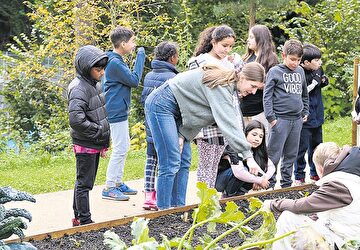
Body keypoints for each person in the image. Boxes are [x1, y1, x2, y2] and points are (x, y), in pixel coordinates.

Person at [145, 62, 265, 210]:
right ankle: (163, 212)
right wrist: (248, 156)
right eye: (253, 86)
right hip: (161, 104)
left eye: (257, 89)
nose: (253, 92)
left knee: (184, 161)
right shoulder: (223, 86)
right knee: (170, 161)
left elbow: (200, 112)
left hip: (177, 112)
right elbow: (229, 124)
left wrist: (182, 133)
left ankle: (177, 209)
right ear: (243, 77)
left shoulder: (229, 87)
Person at [263, 142, 360, 249]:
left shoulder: (338, 185)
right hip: (346, 236)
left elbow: (300, 206)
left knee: (288, 218)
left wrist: (273, 204)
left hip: (344, 243)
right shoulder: (350, 178)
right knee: (305, 225)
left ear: (320, 169)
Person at [187, 25, 242, 188]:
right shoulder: (200, 61)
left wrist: (237, 63)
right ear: (213, 42)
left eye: (230, 46)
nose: (227, 49)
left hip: (225, 119)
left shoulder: (228, 62)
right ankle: (203, 201)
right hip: (208, 120)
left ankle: (209, 201)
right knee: (206, 165)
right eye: (224, 45)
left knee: (214, 164)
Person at [102, 26, 146, 201]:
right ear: (122, 43)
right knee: (120, 148)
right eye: (132, 42)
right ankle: (109, 187)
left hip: (118, 109)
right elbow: (134, 80)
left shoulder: (115, 60)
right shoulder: (114, 63)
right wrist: (141, 56)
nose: (134, 45)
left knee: (124, 146)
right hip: (115, 110)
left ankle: (118, 183)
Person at [68, 45, 110, 226]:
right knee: (84, 184)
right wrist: (98, 131)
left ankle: (78, 216)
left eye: (102, 69)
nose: (101, 73)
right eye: (97, 69)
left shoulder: (93, 84)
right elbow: (76, 120)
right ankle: (85, 220)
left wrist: (103, 141)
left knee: (84, 182)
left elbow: (99, 113)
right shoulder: (79, 88)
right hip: (86, 143)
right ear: (86, 68)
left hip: (94, 143)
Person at [263, 39, 309, 188]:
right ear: (284, 55)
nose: (295, 63)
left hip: (296, 120)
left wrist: (305, 111)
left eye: (298, 60)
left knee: (291, 154)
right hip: (280, 119)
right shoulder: (275, 71)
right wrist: (271, 118)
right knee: (274, 154)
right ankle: (269, 184)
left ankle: (286, 184)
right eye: (292, 59)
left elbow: (304, 94)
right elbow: (267, 96)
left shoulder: (300, 71)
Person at [140, 41, 179, 210]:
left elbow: (144, 98)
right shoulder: (173, 78)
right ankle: (165, 196)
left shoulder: (149, 75)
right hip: (165, 124)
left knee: (151, 159)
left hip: (150, 122)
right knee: (164, 160)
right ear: (172, 58)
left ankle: (149, 194)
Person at [294, 44, 329, 185]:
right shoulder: (298, 72)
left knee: (317, 147)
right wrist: (315, 82)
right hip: (304, 118)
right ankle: (299, 175)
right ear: (305, 62)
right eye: (316, 60)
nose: (320, 63)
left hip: (317, 115)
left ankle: (315, 172)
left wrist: (324, 81)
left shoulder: (318, 69)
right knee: (301, 148)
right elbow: (302, 92)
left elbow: (322, 81)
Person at [215, 120, 275, 197]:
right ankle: (228, 197)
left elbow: (271, 167)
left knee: (257, 169)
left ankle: (240, 195)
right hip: (220, 180)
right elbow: (238, 172)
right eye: (254, 135)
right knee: (246, 170)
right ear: (245, 134)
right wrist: (259, 180)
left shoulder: (258, 151)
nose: (257, 139)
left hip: (237, 178)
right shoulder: (234, 147)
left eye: (260, 136)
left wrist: (263, 179)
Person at [241, 25, 279, 135]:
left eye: (251, 37)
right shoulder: (246, 58)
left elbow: (274, 85)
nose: (248, 40)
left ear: (260, 38)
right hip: (243, 109)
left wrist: (256, 85)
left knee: (261, 144)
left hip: (260, 110)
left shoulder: (271, 59)